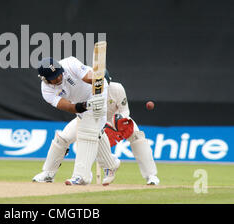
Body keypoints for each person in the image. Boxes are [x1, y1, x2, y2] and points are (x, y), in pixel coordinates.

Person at [33, 71, 160, 185]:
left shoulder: (117, 88)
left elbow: (125, 112)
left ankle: (151, 176)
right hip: (90, 120)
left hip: (115, 120)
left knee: (137, 137)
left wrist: (116, 124)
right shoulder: (87, 90)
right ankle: (48, 174)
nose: (103, 88)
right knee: (62, 138)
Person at [33, 57, 120, 185]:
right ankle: (48, 173)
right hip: (81, 106)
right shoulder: (47, 90)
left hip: (98, 96)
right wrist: (83, 106)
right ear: (45, 79)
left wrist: (98, 79)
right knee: (63, 138)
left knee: (87, 132)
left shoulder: (70, 63)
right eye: (54, 78)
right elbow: (69, 106)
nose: (58, 78)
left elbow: (87, 77)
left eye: (59, 74)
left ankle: (81, 176)